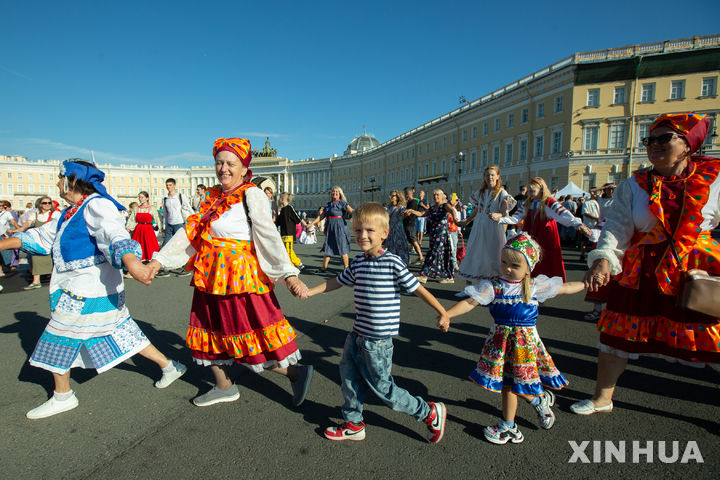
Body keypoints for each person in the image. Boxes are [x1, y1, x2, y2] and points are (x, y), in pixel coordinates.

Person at [0, 159, 186, 419]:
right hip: (88, 288)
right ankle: (170, 366)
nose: (57, 182)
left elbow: (115, 235)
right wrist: (3, 244)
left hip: (88, 289)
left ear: (73, 180)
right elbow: (42, 237)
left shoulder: (97, 204)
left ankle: (63, 395)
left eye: (60, 177)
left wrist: (134, 264)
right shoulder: (71, 211)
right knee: (122, 331)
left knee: (59, 335)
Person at [572, 112, 720, 416]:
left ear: (688, 143)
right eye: (649, 140)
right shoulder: (635, 183)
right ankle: (602, 398)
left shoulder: (714, 178)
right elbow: (617, 226)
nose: (653, 145)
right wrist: (602, 260)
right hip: (642, 271)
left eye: (664, 138)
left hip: (695, 270)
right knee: (616, 336)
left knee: (713, 337)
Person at [149, 138, 314, 407]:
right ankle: (224, 386)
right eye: (219, 162)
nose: (223, 168)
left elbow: (267, 236)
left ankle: (295, 372)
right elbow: (191, 232)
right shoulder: (213, 197)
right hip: (210, 276)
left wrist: (288, 274)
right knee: (208, 331)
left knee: (247, 336)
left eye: (230, 163)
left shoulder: (251, 194)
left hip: (240, 280)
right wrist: (159, 261)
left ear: (243, 168)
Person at [303, 202, 449, 443]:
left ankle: (428, 412)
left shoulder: (392, 262)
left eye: (370, 231)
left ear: (384, 233)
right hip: (357, 335)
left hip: (378, 342)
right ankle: (354, 423)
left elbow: (418, 289)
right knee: (348, 377)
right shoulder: (358, 263)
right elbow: (336, 282)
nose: (363, 236)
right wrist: (310, 292)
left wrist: (442, 311)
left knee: (384, 389)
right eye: (358, 230)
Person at [444, 233, 585, 444]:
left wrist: (586, 284)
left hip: (525, 346)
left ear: (529, 268)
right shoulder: (493, 286)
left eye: (514, 265)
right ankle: (512, 422)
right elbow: (471, 302)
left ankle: (532, 405)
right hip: (500, 345)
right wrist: (448, 315)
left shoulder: (535, 286)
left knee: (519, 382)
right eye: (503, 262)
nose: (507, 268)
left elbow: (564, 288)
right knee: (508, 384)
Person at [491, 177, 591, 281]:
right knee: (529, 259)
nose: (529, 194)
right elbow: (516, 218)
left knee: (545, 261)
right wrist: (501, 219)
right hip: (530, 236)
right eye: (528, 191)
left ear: (541, 190)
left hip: (545, 237)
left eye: (532, 191)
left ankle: (546, 283)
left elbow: (563, 214)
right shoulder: (527, 203)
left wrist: (578, 224)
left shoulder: (549, 202)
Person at [457, 166, 515, 287]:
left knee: (493, 256)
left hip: (493, 228)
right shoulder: (481, 192)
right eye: (487, 175)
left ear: (498, 176)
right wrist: (467, 221)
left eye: (492, 175)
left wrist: (499, 215)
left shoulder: (501, 193)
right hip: (478, 227)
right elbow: (477, 209)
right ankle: (468, 287)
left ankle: (495, 288)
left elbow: (505, 213)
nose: (490, 177)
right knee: (473, 253)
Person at [407, 189, 457, 284]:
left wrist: (455, 219)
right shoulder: (433, 208)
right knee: (442, 254)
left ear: (442, 196)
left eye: (437, 195)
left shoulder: (445, 206)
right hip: (433, 234)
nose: (435, 197)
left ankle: (424, 275)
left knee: (433, 253)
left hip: (441, 234)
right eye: (434, 195)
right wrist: (412, 211)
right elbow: (422, 214)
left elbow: (452, 210)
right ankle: (449, 277)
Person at [582, 184, 615, 321]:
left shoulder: (619, 199)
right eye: (608, 189)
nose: (611, 191)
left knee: (616, 275)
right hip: (602, 231)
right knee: (597, 270)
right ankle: (597, 309)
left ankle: (612, 311)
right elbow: (592, 191)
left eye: (613, 189)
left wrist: (614, 187)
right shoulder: (600, 200)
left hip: (616, 234)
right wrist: (602, 187)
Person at [15, 197, 61, 289]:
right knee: (35, 257)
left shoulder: (55, 214)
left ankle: (56, 281)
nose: (47, 204)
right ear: (40, 204)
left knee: (54, 260)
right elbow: (27, 223)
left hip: (51, 241)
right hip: (39, 241)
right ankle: (36, 281)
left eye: (49, 203)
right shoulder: (35, 215)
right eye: (44, 203)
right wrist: (20, 229)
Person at [308, 186, 354, 273]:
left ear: (340, 194)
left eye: (337, 191)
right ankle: (323, 268)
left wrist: (359, 214)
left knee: (342, 248)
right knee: (328, 247)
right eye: (333, 191)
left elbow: (351, 211)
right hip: (330, 229)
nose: (335, 193)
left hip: (340, 228)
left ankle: (346, 268)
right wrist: (312, 223)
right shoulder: (328, 204)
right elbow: (321, 216)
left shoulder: (342, 203)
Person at [156, 179, 193, 277]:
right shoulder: (165, 199)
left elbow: (188, 208)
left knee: (181, 247)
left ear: (175, 185)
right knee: (166, 246)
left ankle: (185, 268)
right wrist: (164, 225)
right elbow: (165, 213)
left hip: (179, 224)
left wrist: (193, 221)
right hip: (169, 225)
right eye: (167, 185)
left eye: (170, 185)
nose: (168, 187)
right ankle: (166, 269)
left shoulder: (181, 197)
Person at [126, 191, 162, 263]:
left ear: (147, 198)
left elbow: (158, 218)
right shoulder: (136, 209)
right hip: (138, 230)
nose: (140, 199)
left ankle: (150, 262)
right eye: (139, 197)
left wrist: (160, 227)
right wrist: (129, 228)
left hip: (148, 229)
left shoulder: (152, 208)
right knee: (138, 245)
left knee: (149, 246)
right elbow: (132, 219)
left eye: (142, 197)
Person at [275, 192, 306, 270]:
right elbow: (278, 222)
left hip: (289, 234)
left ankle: (291, 267)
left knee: (287, 252)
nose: (279, 200)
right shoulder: (282, 210)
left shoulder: (289, 208)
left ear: (283, 199)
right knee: (288, 250)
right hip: (283, 233)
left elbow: (297, 218)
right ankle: (298, 263)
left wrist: (305, 224)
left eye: (280, 198)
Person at [384, 190, 410, 265]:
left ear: (397, 197)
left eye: (392, 196)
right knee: (389, 250)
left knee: (400, 249)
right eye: (390, 196)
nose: (390, 197)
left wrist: (405, 213)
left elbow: (403, 212)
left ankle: (402, 265)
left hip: (398, 231)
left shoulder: (400, 207)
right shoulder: (388, 207)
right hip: (390, 231)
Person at [402, 187, 424, 263]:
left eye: (405, 193)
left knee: (413, 240)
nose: (404, 195)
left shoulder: (413, 202)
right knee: (410, 240)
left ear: (408, 194)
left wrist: (403, 214)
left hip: (410, 223)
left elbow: (409, 212)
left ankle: (421, 256)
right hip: (407, 223)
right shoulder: (409, 202)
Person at [578, 192, 600, 261]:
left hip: (596, 225)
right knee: (584, 241)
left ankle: (593, 256)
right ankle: (582, 255)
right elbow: (585, 213)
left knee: (595, 242)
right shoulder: (586, 203)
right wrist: (596, 218)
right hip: (588, 225)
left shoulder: (598, 203)